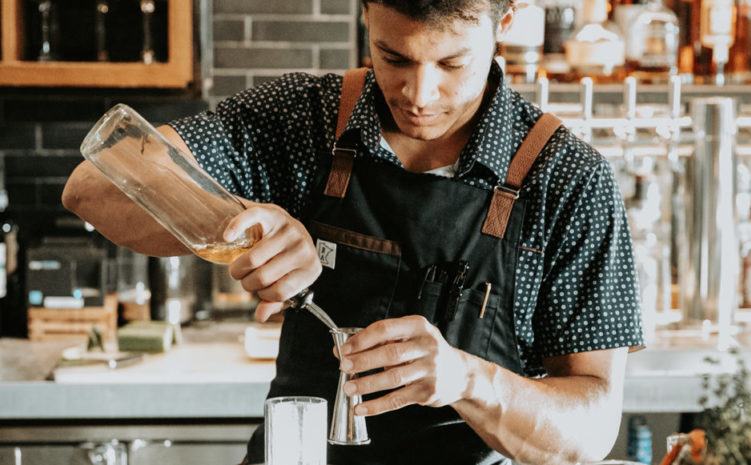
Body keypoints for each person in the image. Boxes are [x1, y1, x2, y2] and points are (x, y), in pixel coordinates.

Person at [63, 0, 645, 463]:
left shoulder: (567, 179)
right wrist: (233, 223)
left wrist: (468, 378)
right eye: (394, 58)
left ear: (506, 22)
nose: (419, 96)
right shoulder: (302, 117)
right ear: (365, 14)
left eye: (451, 64)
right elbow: (92, 187)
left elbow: (589, 428)